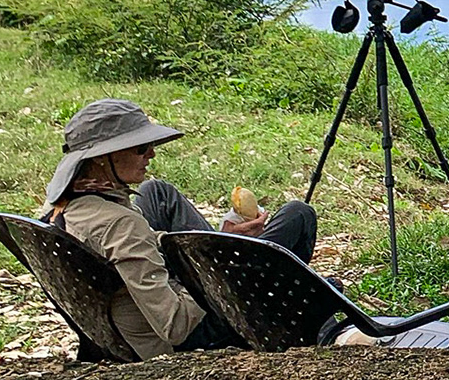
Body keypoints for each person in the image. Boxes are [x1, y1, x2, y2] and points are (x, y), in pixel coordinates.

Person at [43, 99, 318, 359]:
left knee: (157, 191)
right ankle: (298, 319)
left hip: (126, 325)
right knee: (298, 216)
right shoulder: (121, 224)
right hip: (189, 339)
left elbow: (141, 245)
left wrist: (214, 245)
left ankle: (230, 248)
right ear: (103, 157)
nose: (151, 153)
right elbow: (176, 327)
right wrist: (214, 276)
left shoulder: (66, 207)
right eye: (140, 147)